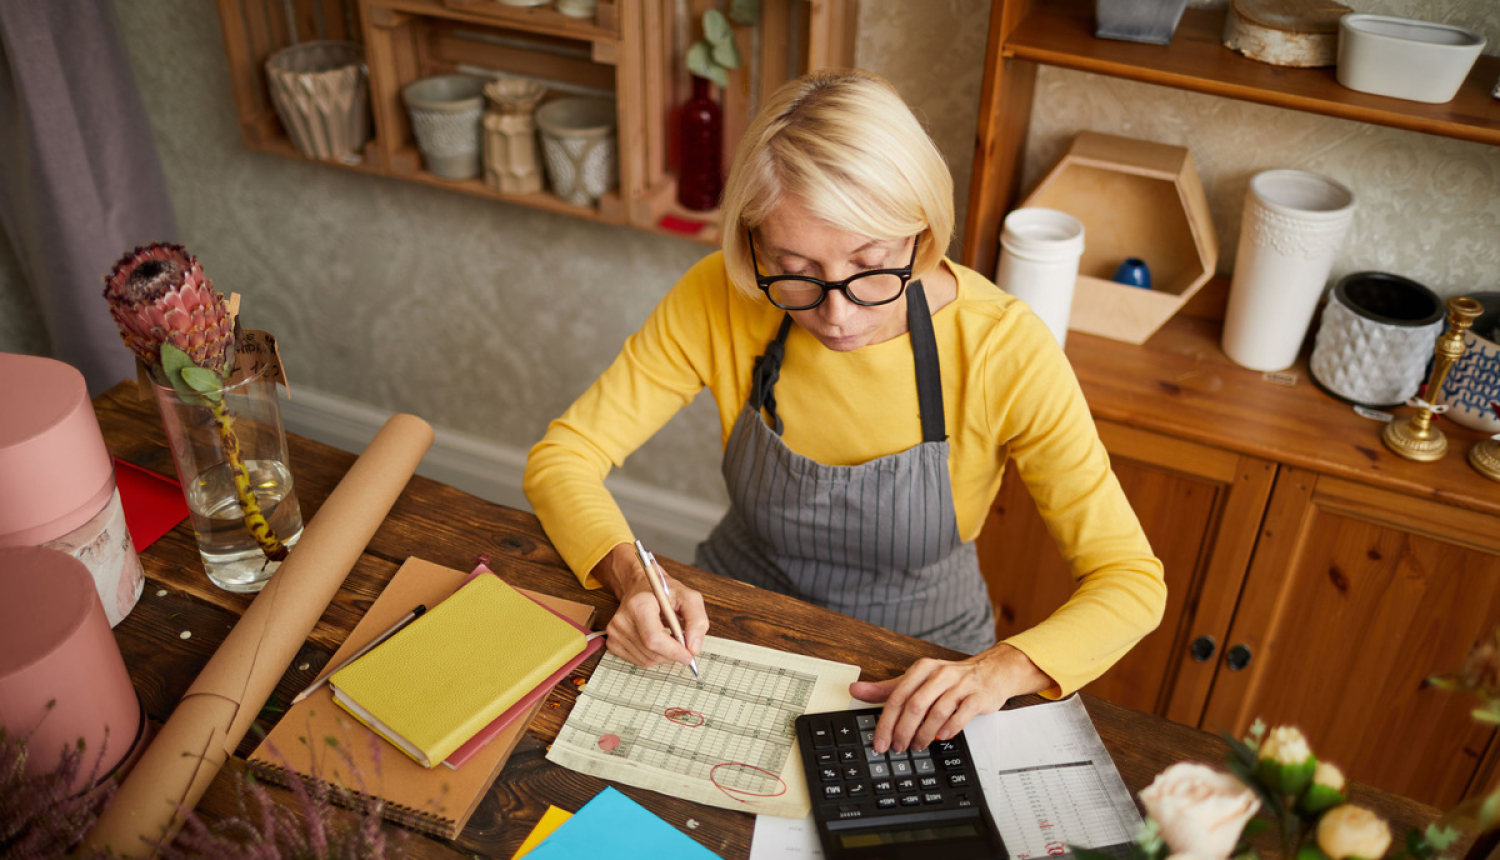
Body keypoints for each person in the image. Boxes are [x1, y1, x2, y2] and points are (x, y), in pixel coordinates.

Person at [523, 69, 1166, 754]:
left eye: (870, 265)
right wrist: (632, 577)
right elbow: (563, 459)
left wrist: (1000, 670)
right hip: (736, 625)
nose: (836, 315)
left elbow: (1130, 581)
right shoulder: (719, 296)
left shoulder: (1004, 348)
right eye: (797, 270)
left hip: (921, 660)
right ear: (754, 246)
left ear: (922, 232)